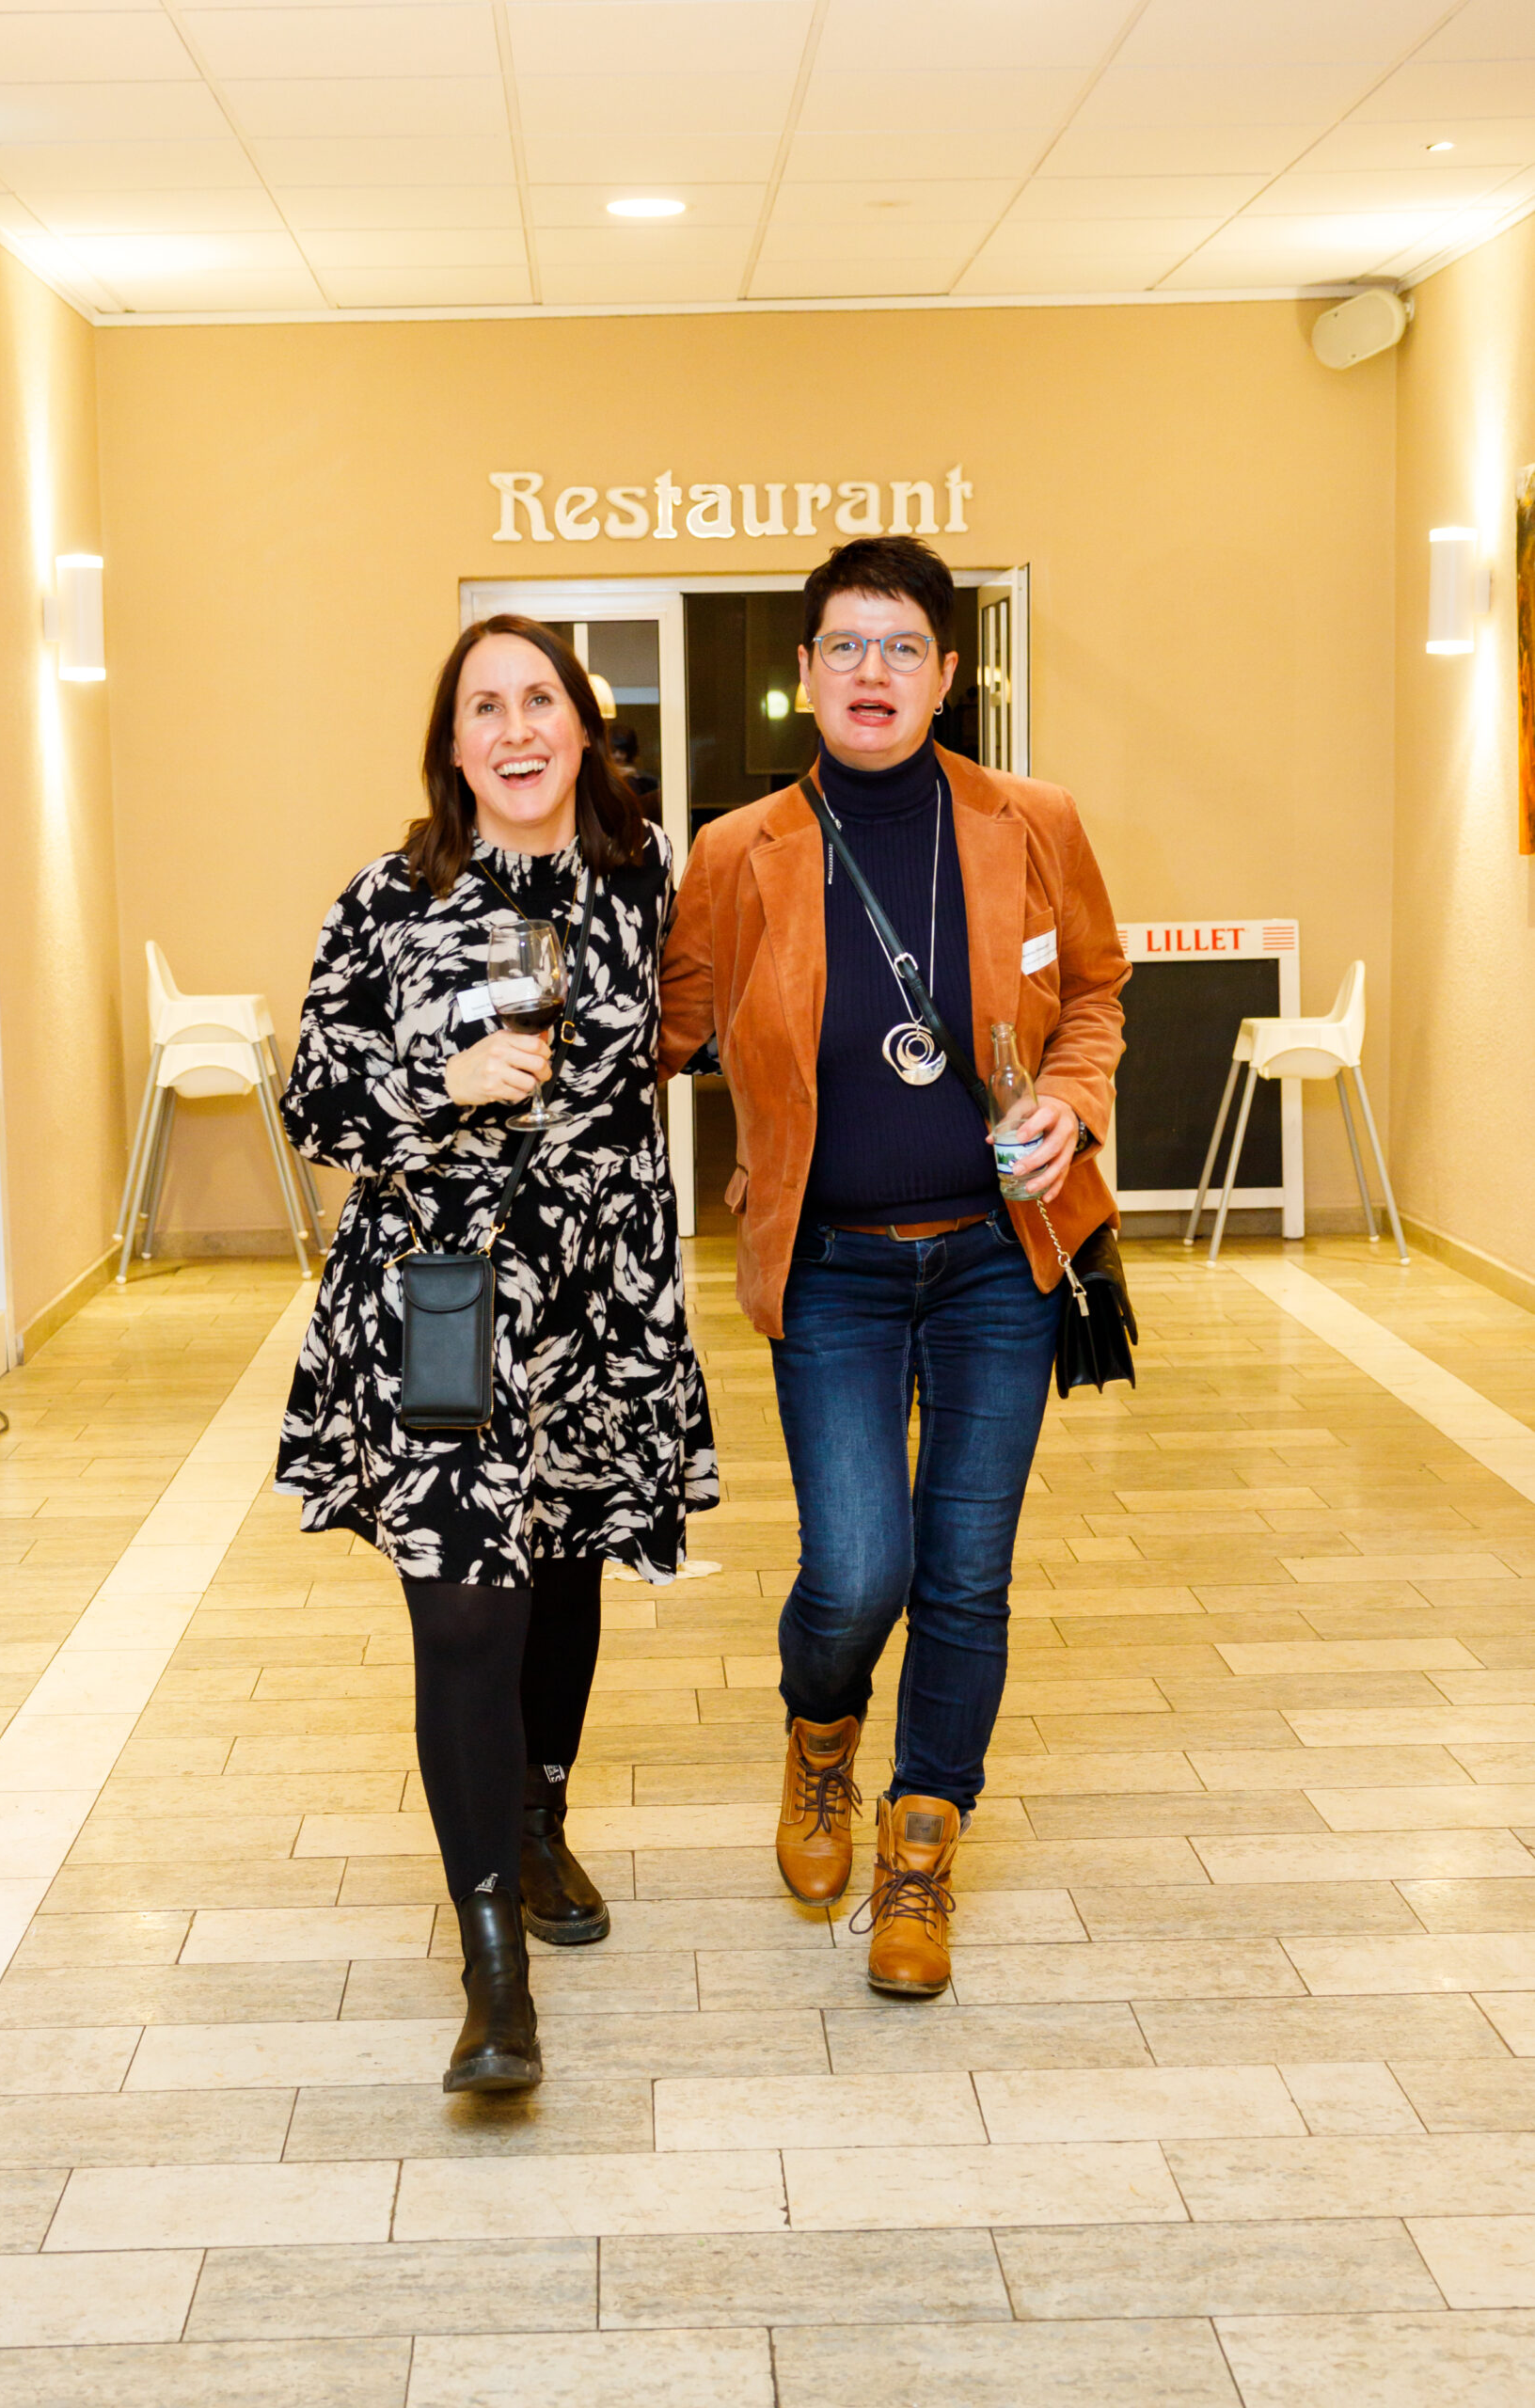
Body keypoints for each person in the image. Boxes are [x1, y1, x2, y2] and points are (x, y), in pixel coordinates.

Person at [660, 535, 1125, 2000]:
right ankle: (820, 1737)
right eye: (846, 646)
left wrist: (1073, 1099)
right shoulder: (736, 853)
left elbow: (1094, 989)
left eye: (902, 647)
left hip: (999, 1256)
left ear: (944, 673)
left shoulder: (1030, 821)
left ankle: (919, 1844)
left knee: (966, 1573)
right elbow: (662, 1027)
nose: (873, 672)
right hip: (831, 1268)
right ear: (804, 674)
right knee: (857, 1569)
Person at [277, 614, 718, 2091]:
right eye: (486, 707)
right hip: (443, 1292)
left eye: (541, 701)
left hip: (597, 1287)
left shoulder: (646, 879)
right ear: (452, 745)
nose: (516, 728)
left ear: (582, 729)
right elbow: (313, 1097)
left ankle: (537, 1819)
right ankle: (490, 1975)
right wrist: (439, 1075)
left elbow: (716, 1023)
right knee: (466, 1609)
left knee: (566, 1562)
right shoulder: (388, 898)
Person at [609, 721, 661, 819]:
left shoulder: (638, 780)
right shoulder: (601, 778)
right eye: (613, 751)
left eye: (622, 752)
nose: (618, 756)